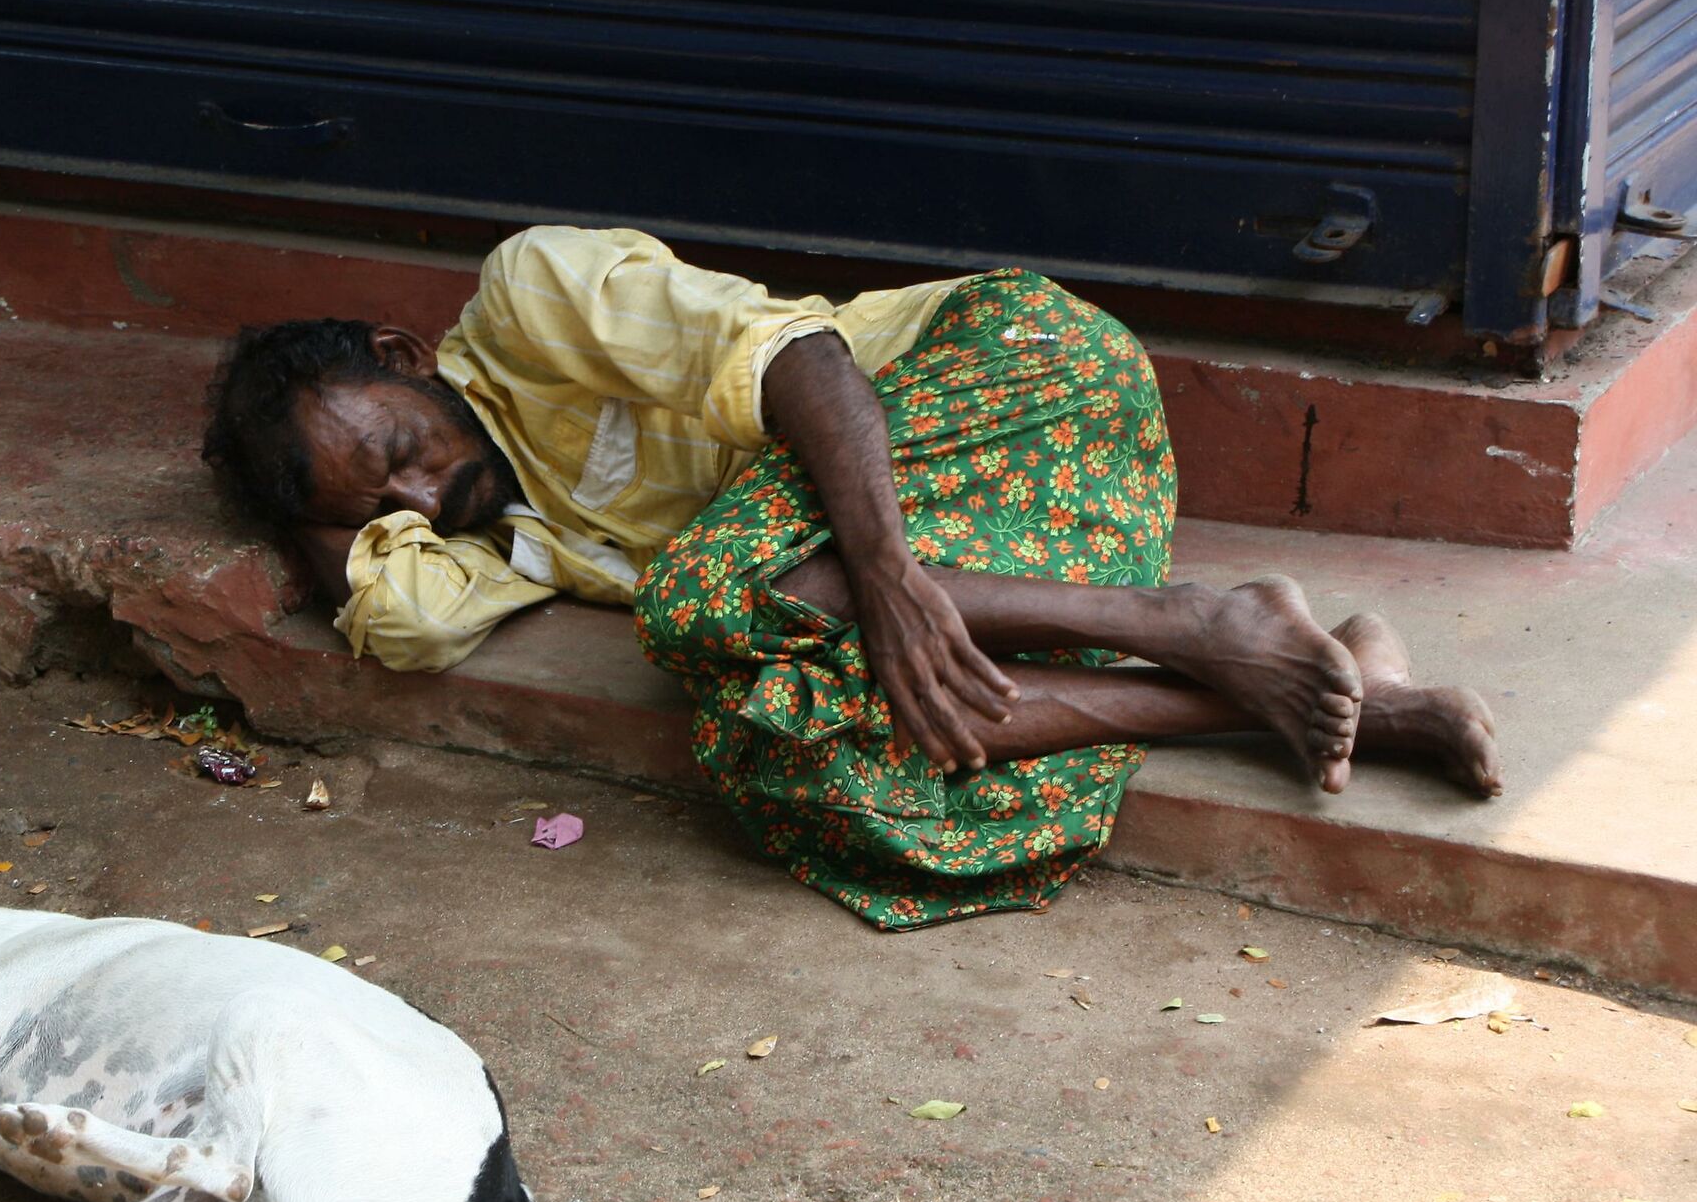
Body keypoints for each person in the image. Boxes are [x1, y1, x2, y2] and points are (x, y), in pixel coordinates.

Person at [202, 227, 1500, 929]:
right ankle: (1318, 683)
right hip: (975, 529)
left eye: (398, 449)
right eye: (376, 510)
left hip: (1012, 377)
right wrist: (318, 512)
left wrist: (880, 572)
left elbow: (806, 360)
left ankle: (1191, 621)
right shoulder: (486, 528)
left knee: (704, 599)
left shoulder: (535, 295)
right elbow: (401, 622)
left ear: (403, 351)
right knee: (784, 748)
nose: (421, 500)